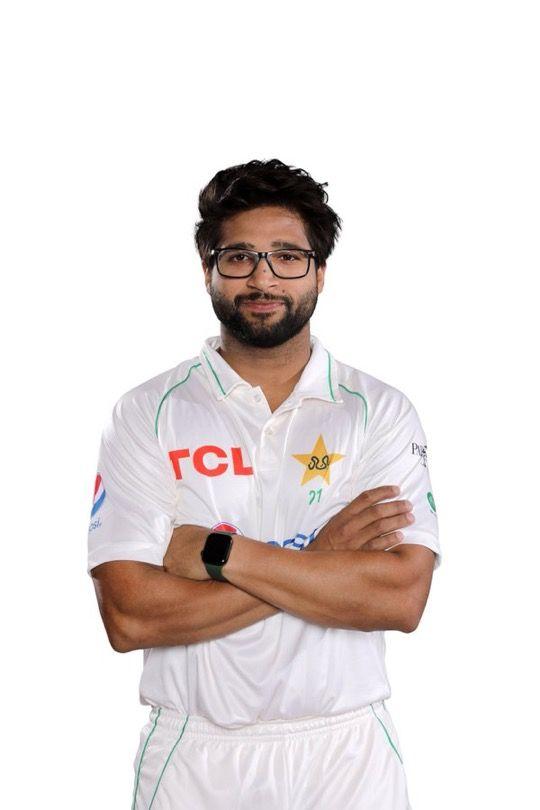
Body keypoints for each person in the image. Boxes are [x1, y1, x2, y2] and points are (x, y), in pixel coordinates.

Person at [87, 158, 441, 809]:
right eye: (239, 257)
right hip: (195, 757)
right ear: (207, 269)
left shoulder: (379, 411)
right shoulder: (146, 413)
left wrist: (222, 556)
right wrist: (324, 564)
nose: (262, 277)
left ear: (320, 272)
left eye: (287, 257)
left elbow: (399, 598)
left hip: (347, 756)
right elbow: (130, 616)